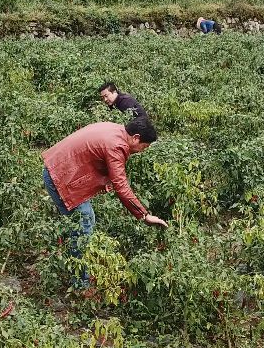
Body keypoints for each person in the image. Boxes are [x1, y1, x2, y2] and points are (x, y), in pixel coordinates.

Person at [42, 118, 169, 288]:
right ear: (136, 138)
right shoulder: (116, 146)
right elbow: (121, 186)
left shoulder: (116, 130)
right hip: (59, 176)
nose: (142, 151)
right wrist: (144, 215)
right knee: (83, 223)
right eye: (144, 147)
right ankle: (80, 284)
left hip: (59, 169)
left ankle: (73, 267)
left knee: (83, 222)